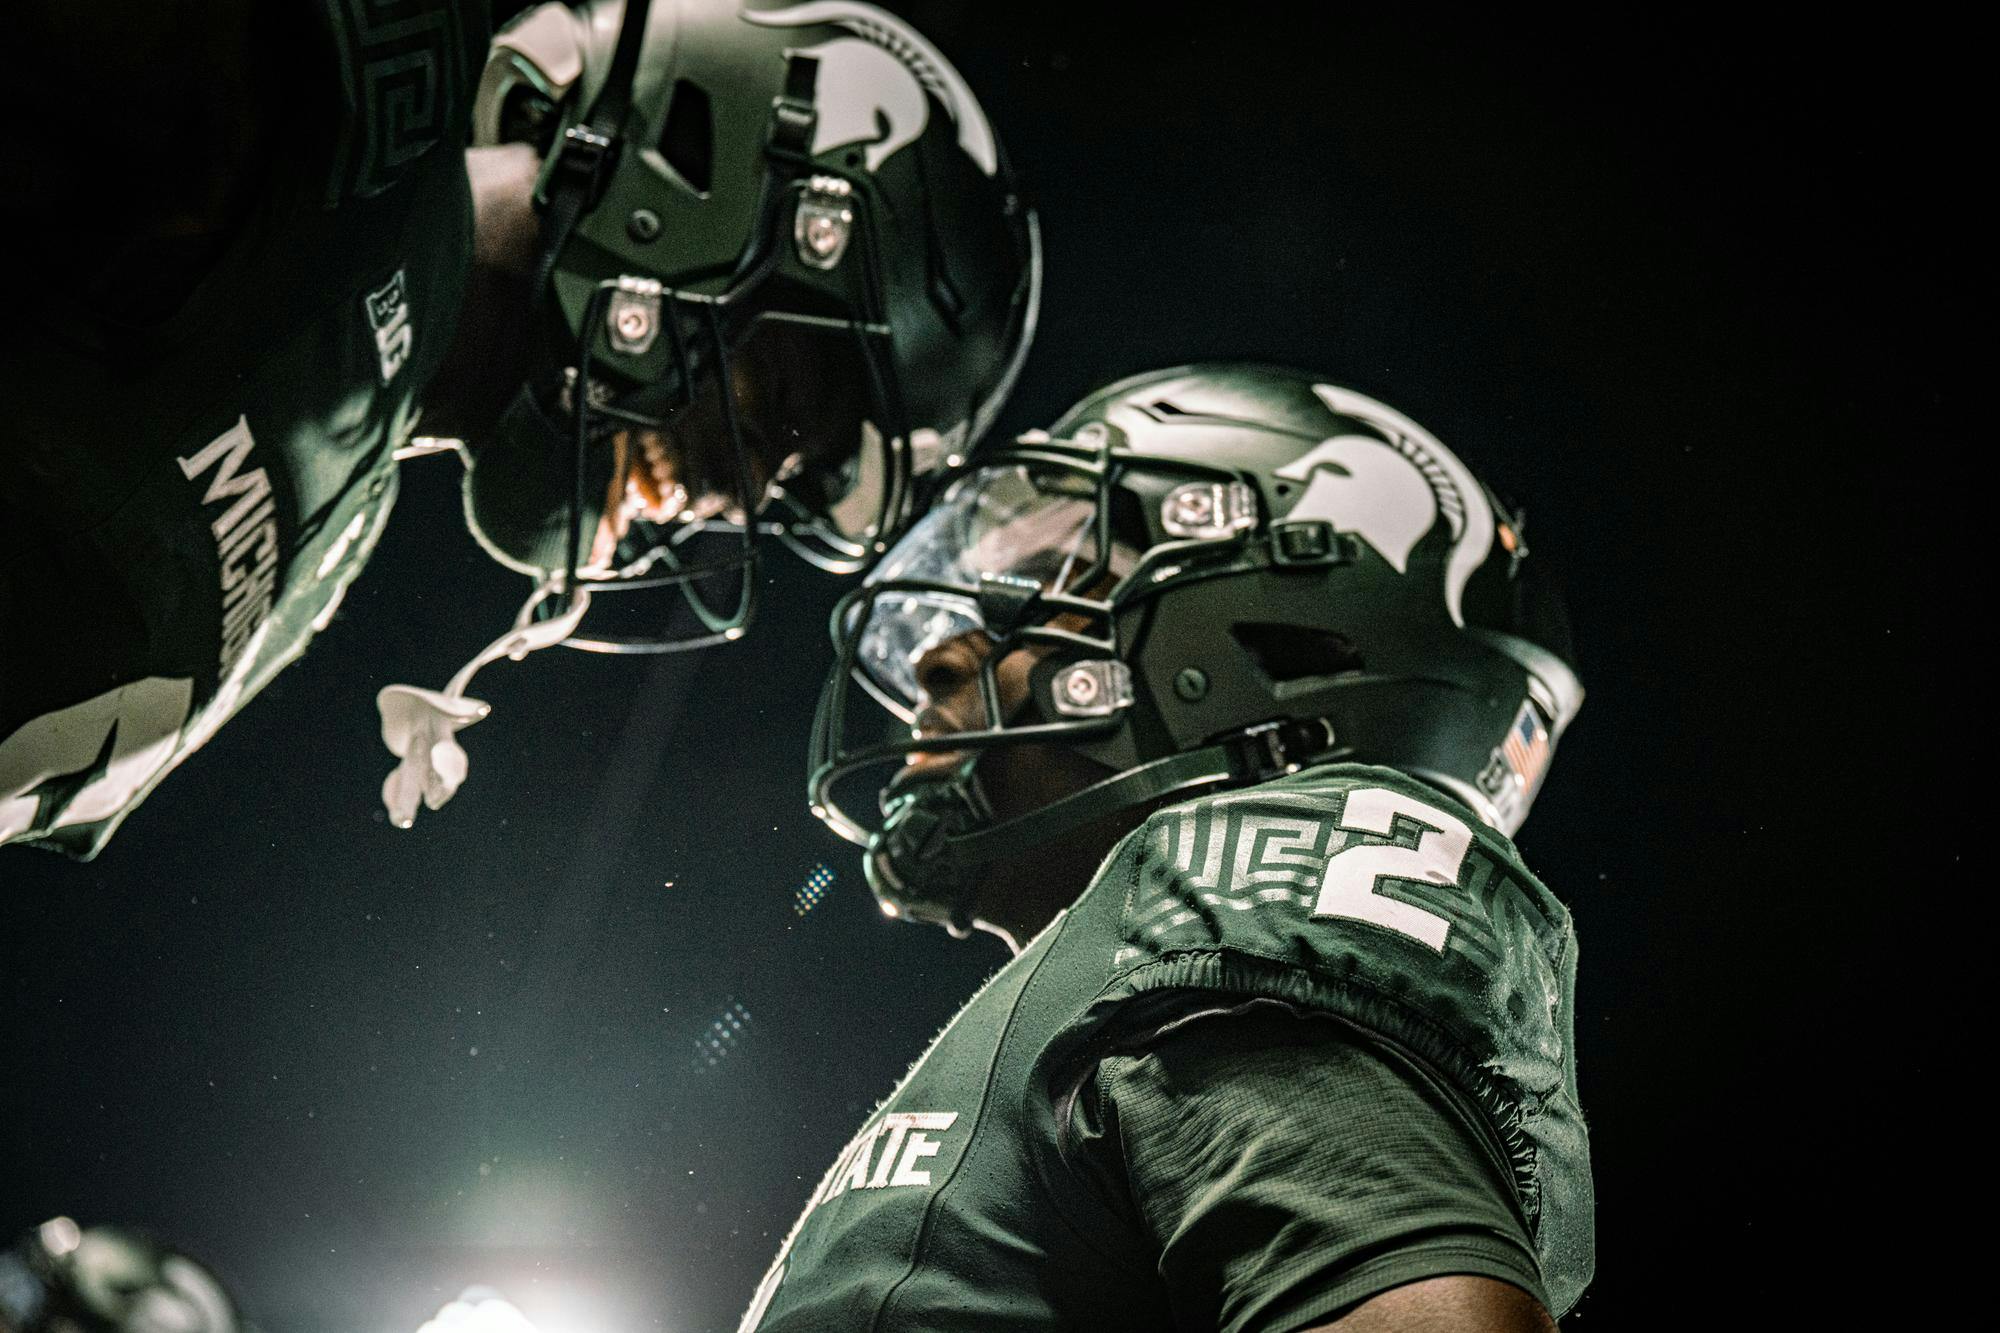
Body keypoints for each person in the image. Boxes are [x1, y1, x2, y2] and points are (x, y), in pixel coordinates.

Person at [0, 0, 1039, 855]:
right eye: (789, 402)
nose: (749, 491)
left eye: (793, 476)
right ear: (694, 165)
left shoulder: (335, 547)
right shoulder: (311, 96)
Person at [771, 364, 1593, 1330]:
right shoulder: (1103, 990)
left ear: (1288, 640)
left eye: (1035, 587)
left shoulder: (1255, 919)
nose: (939, 654)